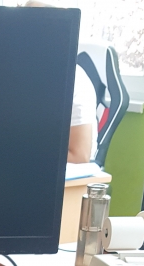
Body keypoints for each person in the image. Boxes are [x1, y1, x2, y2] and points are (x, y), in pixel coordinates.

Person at [24, 1, 98, 164]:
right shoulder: (18, 74)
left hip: (63, 172)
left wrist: (21, 152)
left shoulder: (75, 79)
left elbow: (80, 156)